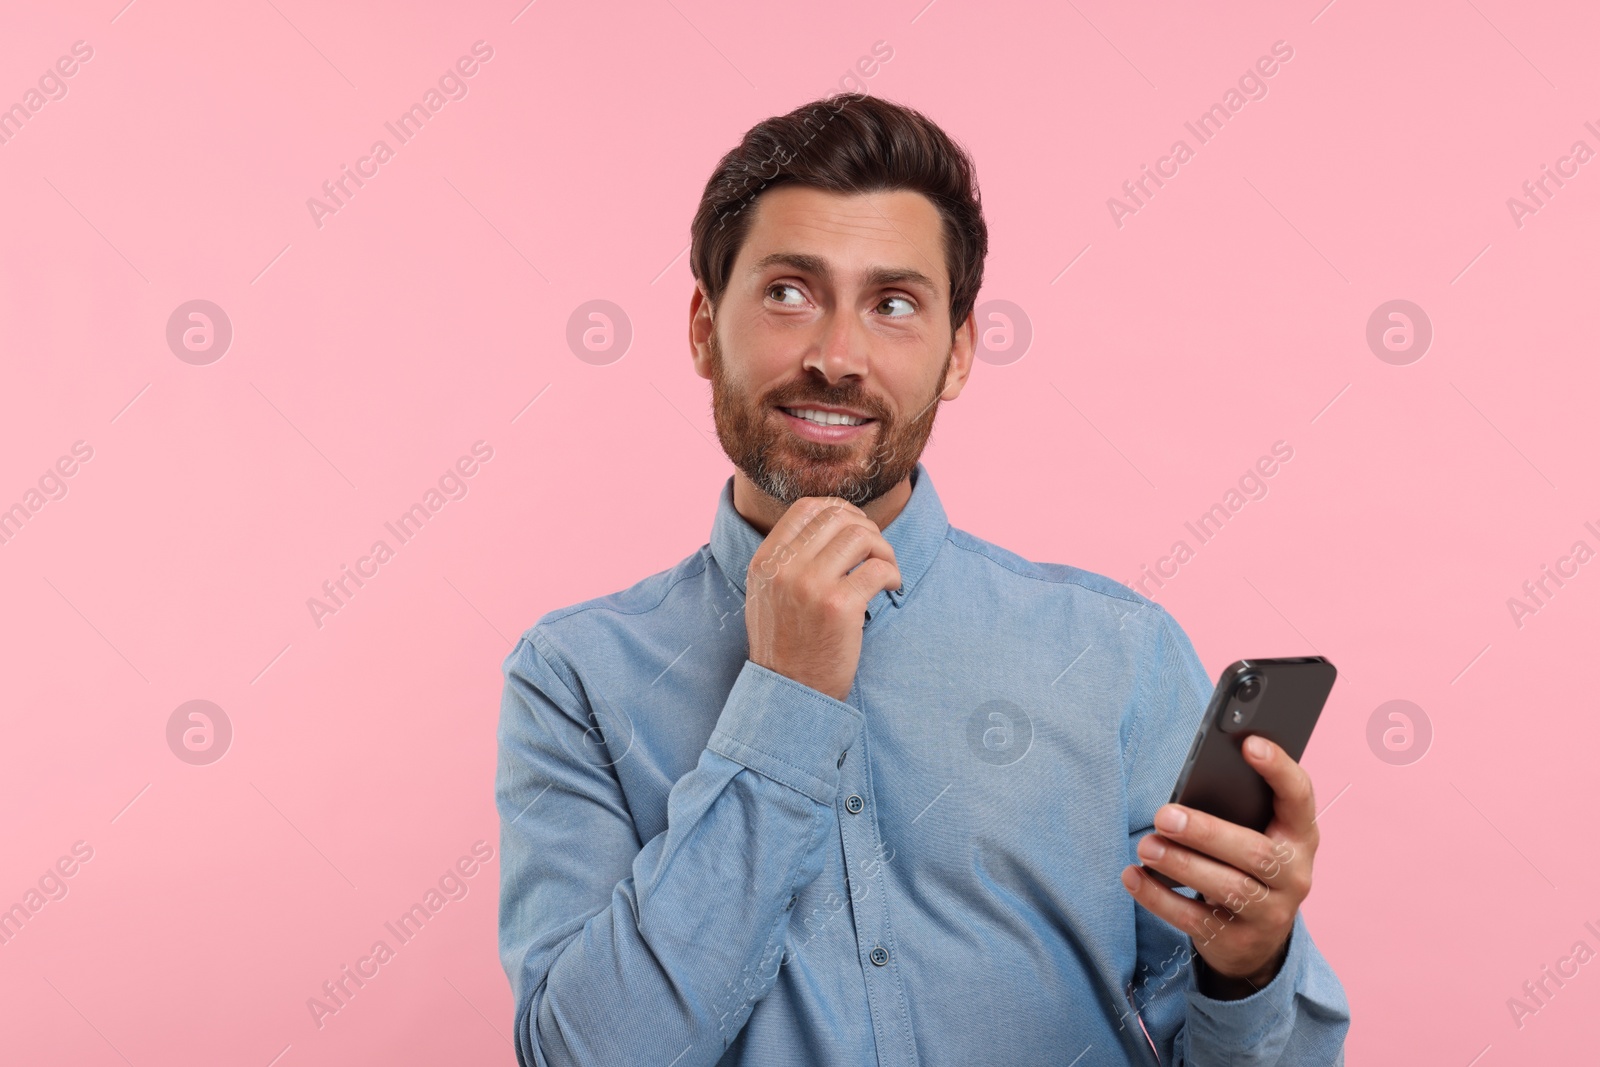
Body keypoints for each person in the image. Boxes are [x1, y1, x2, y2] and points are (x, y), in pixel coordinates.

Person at [495, 92, 1350, 1066]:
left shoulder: (1116, 655)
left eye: (893, 304)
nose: (835, 357)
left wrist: (1244, 968)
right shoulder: (574, 677)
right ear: (701, 325)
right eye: (787, 291)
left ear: (958, 350)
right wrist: (782, 698)